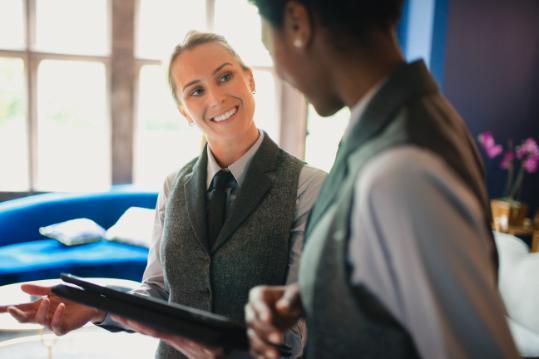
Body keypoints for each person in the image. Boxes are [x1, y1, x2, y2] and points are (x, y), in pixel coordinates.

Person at [0, 31, 325, 359]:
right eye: (196, 91)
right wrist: (97, 308)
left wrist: (235, 343)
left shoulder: (308, 186)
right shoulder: (173, 185)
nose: (216, 98)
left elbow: (297, 326)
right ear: (184, 111)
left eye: (225, 77)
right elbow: (155, 293)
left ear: (250, 80)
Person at [244, 1, 519, 358]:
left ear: (298, 23)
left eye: (268, 47)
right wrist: (315, 292)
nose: (278, 70)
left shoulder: (400, 170)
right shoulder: (408, 122)